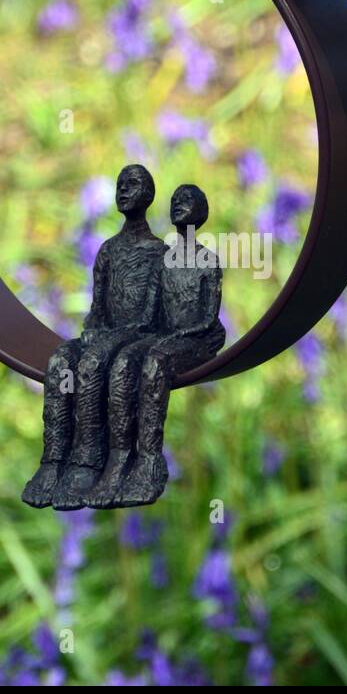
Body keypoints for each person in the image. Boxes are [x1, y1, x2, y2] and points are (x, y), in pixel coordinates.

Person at [22, 164, 166, 510]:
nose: (122, 191)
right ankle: (55, 459)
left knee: (95, 363)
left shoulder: (158, 252)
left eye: (131, 185)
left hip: (140, 336)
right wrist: (91, 333)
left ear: (147, 196)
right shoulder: (107, 250)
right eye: (119, 185)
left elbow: (152, 314)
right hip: (106, 334)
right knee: (59, 362)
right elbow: (97, 306)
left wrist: (107, 341)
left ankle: (94, 459)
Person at [89, 184, 224, 508]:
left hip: (198, 338)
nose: (178, 206)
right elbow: (150, 314)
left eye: (186, 202)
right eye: (175, 201)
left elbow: (207, 317)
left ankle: (150, 460)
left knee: (154, 365)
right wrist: (124, 335)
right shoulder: (164, 260)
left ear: (201, 212)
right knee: (122, 362)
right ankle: (120, 455)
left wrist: (176, 335)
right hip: (166, 336)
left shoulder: (208, 261)